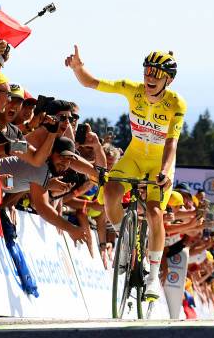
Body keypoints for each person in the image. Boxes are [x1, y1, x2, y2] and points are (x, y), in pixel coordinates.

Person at [65, 45, 187, 300]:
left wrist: (164, 172)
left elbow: (171, 142)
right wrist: (78, 68)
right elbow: (93, 83)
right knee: (109, 190)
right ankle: (125, 239)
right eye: (147, 71)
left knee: (154, 212)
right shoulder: (133, 90)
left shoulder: (176, 104)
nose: (150, 78)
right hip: (133, 158)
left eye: (157, 73)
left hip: (159, 163)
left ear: (169, 79)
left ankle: (153, 278)